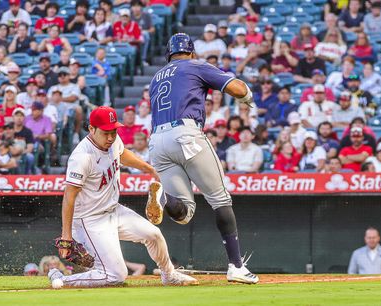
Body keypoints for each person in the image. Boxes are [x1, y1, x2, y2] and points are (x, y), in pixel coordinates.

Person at [147, 33, 259, 284]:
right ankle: (236, 267)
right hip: (185, 133)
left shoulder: (156, 77)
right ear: (191, 52)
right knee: (220, 199)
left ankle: (163, 197)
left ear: (169, 54)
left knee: (184, 213)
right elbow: (236, 87)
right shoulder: (195, 65)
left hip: (156, 141)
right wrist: (247, 97)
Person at [49, 106, 198, 287]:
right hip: (90, 220)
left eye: (113, 131)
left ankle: (169, 274)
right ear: (91, 129)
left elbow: (122, 153)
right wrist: (67, 237)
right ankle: (61, 279)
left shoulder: (112, 140)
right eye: (106, 133)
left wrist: (148, 168)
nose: (111, 137)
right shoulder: (82, 157)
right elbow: (69, 197)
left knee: (154, 235)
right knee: (116, 275)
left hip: (114, 211)